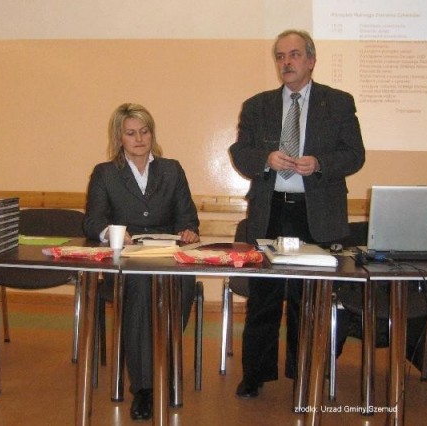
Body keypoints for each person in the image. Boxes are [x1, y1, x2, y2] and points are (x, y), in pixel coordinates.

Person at [229, 29, 366, 398]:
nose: (286, 62)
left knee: (310, 300)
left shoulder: (337, 103)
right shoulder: (257, 105)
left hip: (315, 214)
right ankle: (255, 375)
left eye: (294, 55)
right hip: (271, 211)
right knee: (264, 299)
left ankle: (304, 370)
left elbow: (355, 154)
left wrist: (320, 163)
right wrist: (265, 159)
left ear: (311, 60)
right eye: (280, 56)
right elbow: (240, 152)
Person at [83, 103, 200, 420]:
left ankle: (165, 367)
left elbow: (188, 218)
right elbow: (92, 222)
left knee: (181, 286)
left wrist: (188, 231)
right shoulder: (106, 173)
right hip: (127, 260)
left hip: (168, 258)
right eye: (131, 133)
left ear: (152, 134)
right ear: (119, 137)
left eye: (144, 132)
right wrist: (114, 233)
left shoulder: (172, 169)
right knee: (139, 289)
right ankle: (146, 388)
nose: (139, 139)